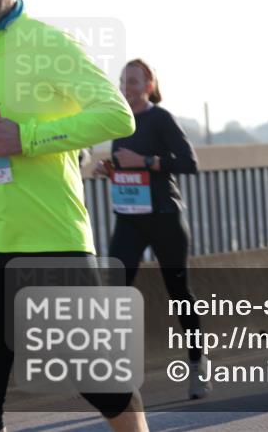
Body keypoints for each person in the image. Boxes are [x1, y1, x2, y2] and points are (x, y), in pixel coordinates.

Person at [0, 0, 149, 432]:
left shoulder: (45, 43)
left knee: (101, 381)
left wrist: (27, 137)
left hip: (46, 238)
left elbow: (117, 116)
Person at [93, 59, 207, 399]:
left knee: (178, 291)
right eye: (123, 80)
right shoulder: (119, 120)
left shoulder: (160, 118)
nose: (126, 86)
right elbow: (127, 165)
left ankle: (198, 363)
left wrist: (144, 162)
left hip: (164, 216)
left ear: (149, 85)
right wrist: (110, 168)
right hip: (129, 217)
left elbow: (189, 163)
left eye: (133, 81)